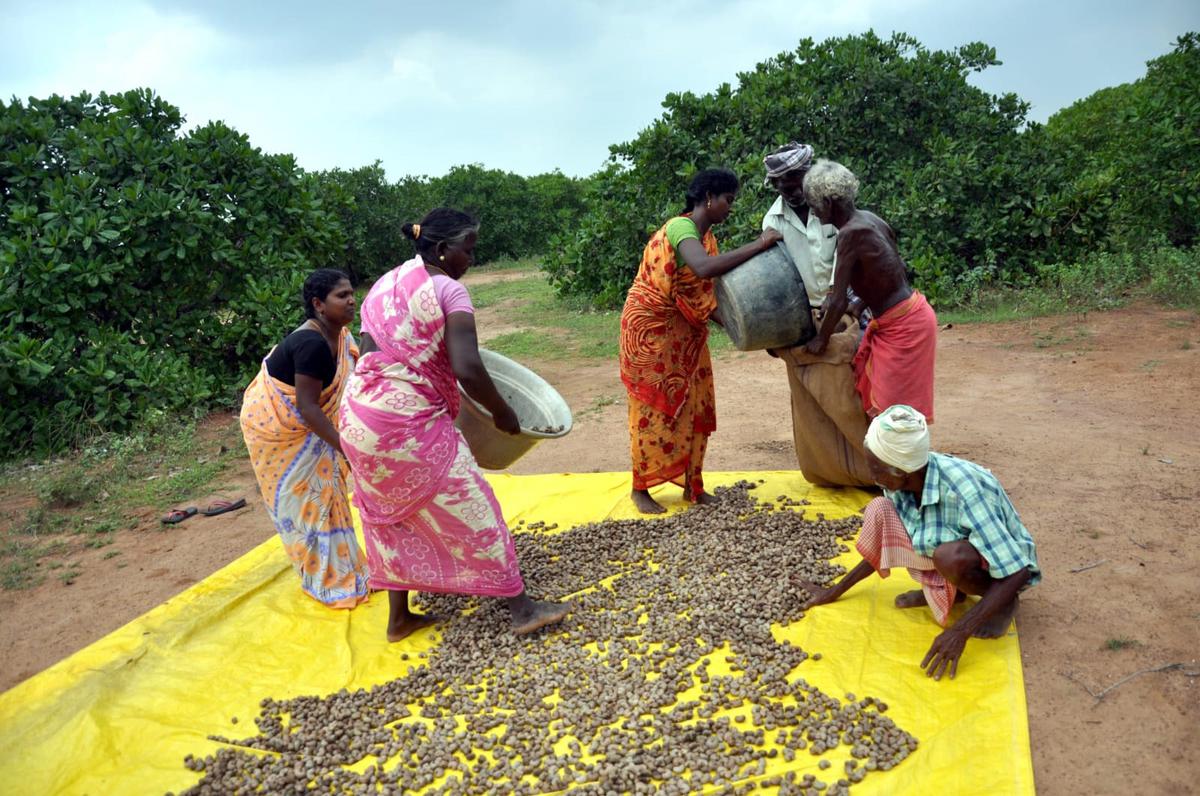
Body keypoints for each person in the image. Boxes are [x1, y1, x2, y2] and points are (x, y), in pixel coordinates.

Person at [339, 208, 570, 642]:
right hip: (405, 422)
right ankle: (522, 609)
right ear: (443, 250)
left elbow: (373, 353)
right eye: (468, 249)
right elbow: (468, 367)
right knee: (475, 504)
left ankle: (399, 619)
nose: (472, 259)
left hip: (358, 417)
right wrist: (503, 413)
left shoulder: (385, 285)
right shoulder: (450, 293)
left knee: (388, 518)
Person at [797, 405, 1041, 680]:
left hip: (997, 565)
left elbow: (1018, 570)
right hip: (943, 539)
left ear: (900, 471)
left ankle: (1003, 604)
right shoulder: (899, 480)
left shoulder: (965, 489)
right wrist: (834, 591)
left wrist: (960, 630)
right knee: (880, 510)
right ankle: (953, 591)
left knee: (950, 557)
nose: (870, 472)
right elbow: (883, 541)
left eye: (875, 466)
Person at [619, 168, 783, 514]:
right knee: (652, 409)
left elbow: (703, 301)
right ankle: (641, 488)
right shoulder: (682, 228)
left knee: (696, 403)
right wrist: (761, 243)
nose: (730, 207)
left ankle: (693, 486)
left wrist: (749, 335)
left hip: (684, 334)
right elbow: (705, 269)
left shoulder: (707, 239)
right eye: (728, 200)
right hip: (651, 333)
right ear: (708, 197)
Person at [239, 268, 370, 608]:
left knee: (327, 493)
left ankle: (345, 566)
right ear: (318, 304)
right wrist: (346, 447)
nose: (351, 300)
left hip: (306, 423)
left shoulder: (340, 337)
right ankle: (325, 578)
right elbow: (309, 410)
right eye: (342, 296)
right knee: (309, 500)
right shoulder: (312, 344)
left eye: (352, 293)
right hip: (277, 428)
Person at [762, 143, 873, 487]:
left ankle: (873, 468)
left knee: (855, 391)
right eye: (784, 186)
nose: (792, 191)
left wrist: (836, 318)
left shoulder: (833, 207)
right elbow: (777, 275)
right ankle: (830, 470)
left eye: (796, 182)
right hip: (805, 312)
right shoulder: (773, 219)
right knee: (812, 396)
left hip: (849, 305)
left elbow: (854, 266)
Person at [802, 159, 938, 422]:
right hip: (908, 316)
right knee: (892, 413)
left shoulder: (850, 234)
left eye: (813, 204)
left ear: (829, 202)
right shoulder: (870, 219)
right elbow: (895, 267)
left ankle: (901, 462)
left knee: (895, 418)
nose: (813, 212)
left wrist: (821, 340)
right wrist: (862, 303)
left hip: (904, 326)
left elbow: (839, 301)